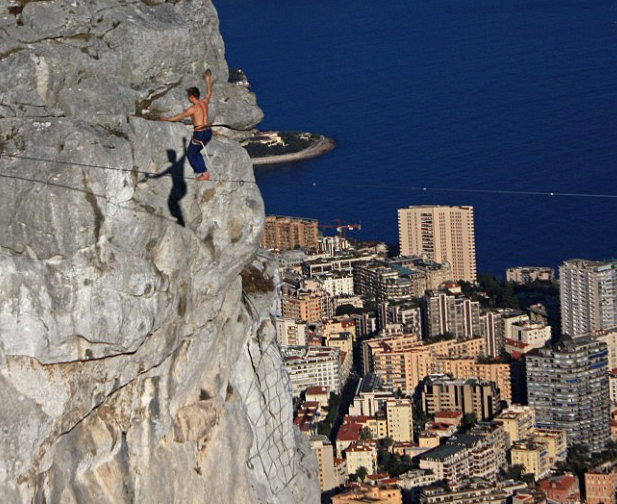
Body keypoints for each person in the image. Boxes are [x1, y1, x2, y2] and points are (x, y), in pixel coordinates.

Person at [161, 70, 213, 181]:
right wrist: (208, 80)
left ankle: (204, 174)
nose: (188, 98)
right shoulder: (204, 102)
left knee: (190, 154)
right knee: (196, 152)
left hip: (199, 133)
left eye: (188, 96)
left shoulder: (193, 108)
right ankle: (204, 173)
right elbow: (209, 93)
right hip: (208, 132)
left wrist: (168, 119)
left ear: (192, 96)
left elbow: (181, 116)